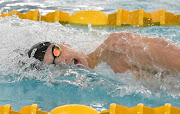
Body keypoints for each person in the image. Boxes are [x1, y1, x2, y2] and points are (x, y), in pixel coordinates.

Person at [28, 32, 180, 79]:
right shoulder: (99, 75)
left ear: (65, 45)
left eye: (57, 52)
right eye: (55, 64)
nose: (64, 60)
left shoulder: (116, 48)